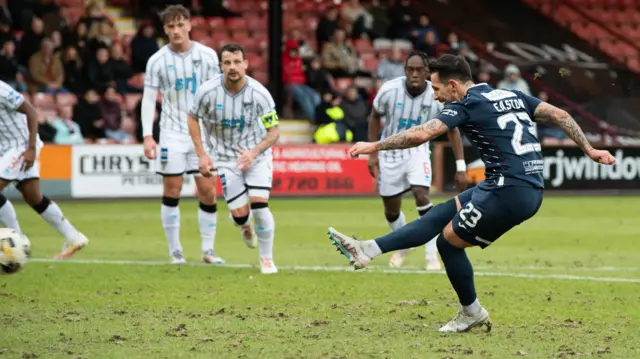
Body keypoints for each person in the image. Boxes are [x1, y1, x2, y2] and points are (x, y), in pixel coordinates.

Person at [327, 54, 616, 332]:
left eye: (437, 89)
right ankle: (367, 250)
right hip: (517, 185)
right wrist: (589, 149)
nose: (435, 96)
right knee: (440, 214)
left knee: (448, 244)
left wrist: (373, 146)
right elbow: (559, 114)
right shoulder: (509, 95)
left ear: (454, 85)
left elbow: (420, 135)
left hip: (509, 192)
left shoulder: (466, 104)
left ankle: (472, 312)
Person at [369, 51, 468, 271]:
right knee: (391, 210)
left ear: (427, 71)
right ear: (404, 71)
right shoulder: (389, 90)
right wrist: (373, 153)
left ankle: (431, 255)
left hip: (418, 150)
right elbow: (375, 116)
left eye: (419, 70)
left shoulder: (435, 94)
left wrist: (461, 166)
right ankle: (404, 243)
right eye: (409, 69)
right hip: (390, 152)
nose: (414, 74)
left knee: (421, 194)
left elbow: (452, 128)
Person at [188, 43, 280, 275]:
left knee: (260, 205)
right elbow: (192, 118)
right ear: (221, 66)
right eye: (227, 62)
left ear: (246, 64)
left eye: (237, 62)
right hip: (226, 158)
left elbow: (274, 131)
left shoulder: (260, 94)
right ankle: (244, 226)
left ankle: (266, 259)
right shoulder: (207, 92)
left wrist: (253, 153)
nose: (232, 67)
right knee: (240, 216)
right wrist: (201, 155)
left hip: (256, 155)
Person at [141, 5, 222, 265]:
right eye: (170, 26)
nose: (176, 30)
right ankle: (175, 251)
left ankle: (208, 250)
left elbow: (216, 95)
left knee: (208, 190)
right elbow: (148, 99)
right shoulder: (157, 60)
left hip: (204, 135)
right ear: (165, 29)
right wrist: (147, 135)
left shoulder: (208, 56)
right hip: (172, 133)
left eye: (180, 25)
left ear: (189, 25)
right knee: (172, 189)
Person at [0, 80, 88, 259]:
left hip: (21, 146)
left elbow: (31, 111)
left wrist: (31, 148)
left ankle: (17, 241)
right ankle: (74, 236)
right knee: (33, 197)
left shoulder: (1, 89)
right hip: (5, 147)